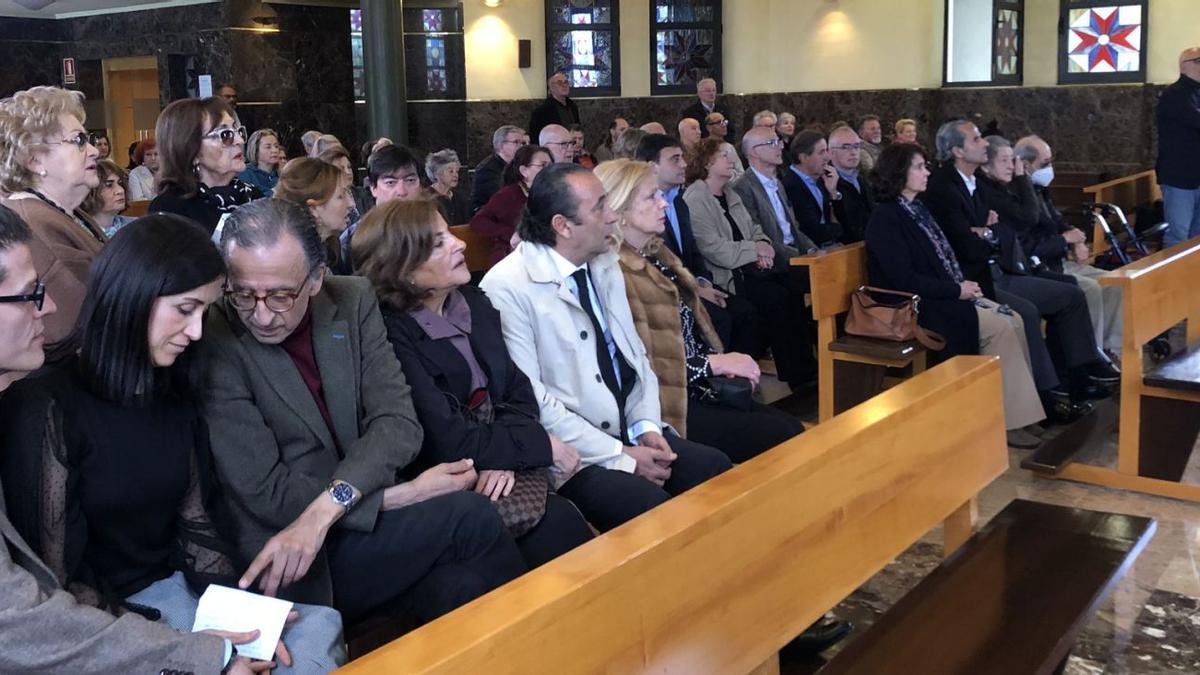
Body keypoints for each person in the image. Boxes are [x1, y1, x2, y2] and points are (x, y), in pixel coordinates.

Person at [0, 214, 345, 673]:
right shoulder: (46, 406)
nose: (198, 331)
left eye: (205, 311)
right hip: (105, 613)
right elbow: (55, 587)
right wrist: (197, 649)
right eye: (185, 310)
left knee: (314, 630)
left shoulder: (173, 384)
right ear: (133, 297)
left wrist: (244, 618)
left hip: (172, 589)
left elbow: (197, 525)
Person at [204, 198, 528, 625]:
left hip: (346, 524)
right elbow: (266, 492)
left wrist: (330, 509)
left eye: (281, 295)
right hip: (293, 552)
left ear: (317, 277)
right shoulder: (216, 333)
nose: (261, 315)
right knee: (469, 517)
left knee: (460, 588)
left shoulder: (352, 300)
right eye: (243, 293)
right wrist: (399, 497)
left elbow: (397, 424)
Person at [480, 163, 733, 531]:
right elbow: (535, 403)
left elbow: (635, 355)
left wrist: (646, 426)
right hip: (574, 453)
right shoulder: (507, 287)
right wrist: (622, 456)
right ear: (562, 226)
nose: (613, 215)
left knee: (715, 472)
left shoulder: (602, 260)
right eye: (600, 207)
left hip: (628, 426)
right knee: (654, 512)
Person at [353, 199, 596, 567]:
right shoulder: (391, 336)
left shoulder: (473, 302)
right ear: (403, 269)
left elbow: (517, 391)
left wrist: (508, 459)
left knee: (573, 530)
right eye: (438, 243)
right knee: (556, 542)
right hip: (450, 479)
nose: (460, 244)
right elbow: (445, 438)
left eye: (449, 233)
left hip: (502, 460)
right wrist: (537, 445)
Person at [598, 158, 806, 461]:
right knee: (783, 437)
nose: (664, 204)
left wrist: (720, 367)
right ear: (620, 211)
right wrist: (716, 364)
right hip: (665, 405)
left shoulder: (656, 254)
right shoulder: (615, 274)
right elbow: (640, 368)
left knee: (789, 427)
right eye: (651, 197)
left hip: (695, 388)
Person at [924, 120, 1114, 425]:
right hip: (976, 278)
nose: (984, 143)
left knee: (1070, 293)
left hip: (999, 268)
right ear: (958, 150)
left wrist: (986, 233)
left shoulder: (972, 182)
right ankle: (1048, 397)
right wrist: (987, 234)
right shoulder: (945, 187)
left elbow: (998, 232)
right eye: (976, 139)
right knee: (1025, 311)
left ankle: (1076, 376)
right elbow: (971, 245)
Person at [865, 143, 1047, 446]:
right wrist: (956, 290)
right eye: (920, 167)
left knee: (1013, 318)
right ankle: (1012, 421)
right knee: (999, 326)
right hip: (913, 305)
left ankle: (1020, 413)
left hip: (939, 294)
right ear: (899, 173)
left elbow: (942, 259)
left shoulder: (918, 209)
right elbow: (902, 279)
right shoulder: (886, 218)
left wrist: (961, 286)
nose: (927, 172)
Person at [685, 137, 818, 390]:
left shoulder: (730, 193)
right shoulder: (696, 198)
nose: (731, 160)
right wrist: (754, 249)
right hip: (727, 277)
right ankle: (795, 374)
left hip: (750, 268)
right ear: (707, 162)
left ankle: (804, 368)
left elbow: (754, 228)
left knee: (793, 290)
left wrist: (764, 245)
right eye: (725, 156)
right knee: (776, 299)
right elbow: (715, 249)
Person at [0, 85, 106, 365]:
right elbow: (74, 329)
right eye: (79, 140)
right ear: (34, 160)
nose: (95, 150)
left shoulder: (62, 212)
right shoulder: (33, 223)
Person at [637, 133, 760, 355]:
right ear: (652, 166)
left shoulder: (678, 201)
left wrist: (703, 283)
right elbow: (655, 269)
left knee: (745, 311)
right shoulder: (642, 209)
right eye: (674, 159)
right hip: (670, 293)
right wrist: (695, 291)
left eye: (682, 157)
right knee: (723, 318)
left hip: (693, 284)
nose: (683, 164)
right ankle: (716, 383)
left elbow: (693, 254)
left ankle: (740, 381)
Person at [1015, 135, 1123, 358]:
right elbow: (1027, 247)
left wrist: (1078, 240)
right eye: (1044, 164)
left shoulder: (1038, 189)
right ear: (1025, 165)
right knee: (1090, 290)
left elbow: (1056, 222)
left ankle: (1107, 347)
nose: (1050, 169)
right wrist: (1065, 240)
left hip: (1059, 260)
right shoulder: (1015, 196)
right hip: (1041, 268)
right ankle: (1090, 355)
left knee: (1117, 284)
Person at [149, 97, 261, 235]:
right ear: (192, 150)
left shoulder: (253, 196)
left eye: (237, 131)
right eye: (225, 134)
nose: (239, 140)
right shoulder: (170, 209)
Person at [733, 126, 818, 265]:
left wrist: (811, 249)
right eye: (772, 143)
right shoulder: (742, 188)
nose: (781, 147)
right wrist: (799, 257)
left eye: (779, 141)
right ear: (755, 151)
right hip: (774, 262)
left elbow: (793, 228)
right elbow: (759, 236)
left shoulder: (778, 183)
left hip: (795, 255)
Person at [340, 144, 425, 270]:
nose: (401, 191)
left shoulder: (432, 229)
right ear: (373, 188)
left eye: (410, 180)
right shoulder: (354, 239)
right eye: (391, 183)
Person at [470, 145, 552, 266]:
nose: (549, 170)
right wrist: (512, 233)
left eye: (551, 166)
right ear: (524, 171)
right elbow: (478, 221)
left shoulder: (551, 194)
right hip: (512, 258)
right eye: (543, 165)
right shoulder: (508, 195)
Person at [273, 157, 354, 273]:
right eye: (341, 196)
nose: (351, 204)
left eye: (348, 193)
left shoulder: (330, 250)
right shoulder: (292, 268)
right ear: (313, 208)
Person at [1158, 46, 1200, 247]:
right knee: (1178, 235)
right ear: (1184, 66)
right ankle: (1171, 278)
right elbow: (1195, 121)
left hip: (1197, 174)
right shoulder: (1174, 94)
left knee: (1197, 235)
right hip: (1179, 176)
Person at [781, 130, 844, 246]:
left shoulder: (824, 179)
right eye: (821, 152)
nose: (828, 157)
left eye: (827, 150)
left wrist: (833, 192)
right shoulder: (791, 186)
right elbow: (813, 231)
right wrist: (838, 229)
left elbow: (846, 222)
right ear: (804, 157)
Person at [828, 125, 876, 243]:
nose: (853, 152)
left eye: (856, 146)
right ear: (831, 152)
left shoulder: (864, 180)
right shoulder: (827, 182)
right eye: (846, 147)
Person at [473, 125, 527, 214]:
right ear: (501, 145)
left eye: (522, 143)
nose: (521, 147)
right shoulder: (487, 170)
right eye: (516, 142)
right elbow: (501, 197)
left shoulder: (517, 166)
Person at [81, 158, 135, 237]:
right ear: (91, 191)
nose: (120, 190)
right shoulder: (80, 232)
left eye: (120, 183)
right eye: (109, 185)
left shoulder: (136, 226)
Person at [425, 148, 472, 225]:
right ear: (437, 174)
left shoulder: (461, 198)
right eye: (451, 171)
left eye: (456, 171)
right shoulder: (426, 198)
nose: (455, 175)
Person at [529, 72, 580, 140]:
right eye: (559, 83)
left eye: (566, 82)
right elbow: (535, 137)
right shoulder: (541, 111)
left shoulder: (573, 107)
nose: (564, 85)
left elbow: (578, 130)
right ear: (551, 88)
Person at [239, 128, 282, 196]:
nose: (275, 150)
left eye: (276, 146)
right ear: (255, 150)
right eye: (268, 147)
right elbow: (249, 200)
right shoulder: (245, 173)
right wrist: (275, 191)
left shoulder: (283, 173)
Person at [702, 111, 745, 179]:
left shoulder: (729, 147)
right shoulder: (702, 146)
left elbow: (740, 172)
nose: (724, 125)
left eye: (724, 121)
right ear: (709, 128)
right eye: (719, 122)